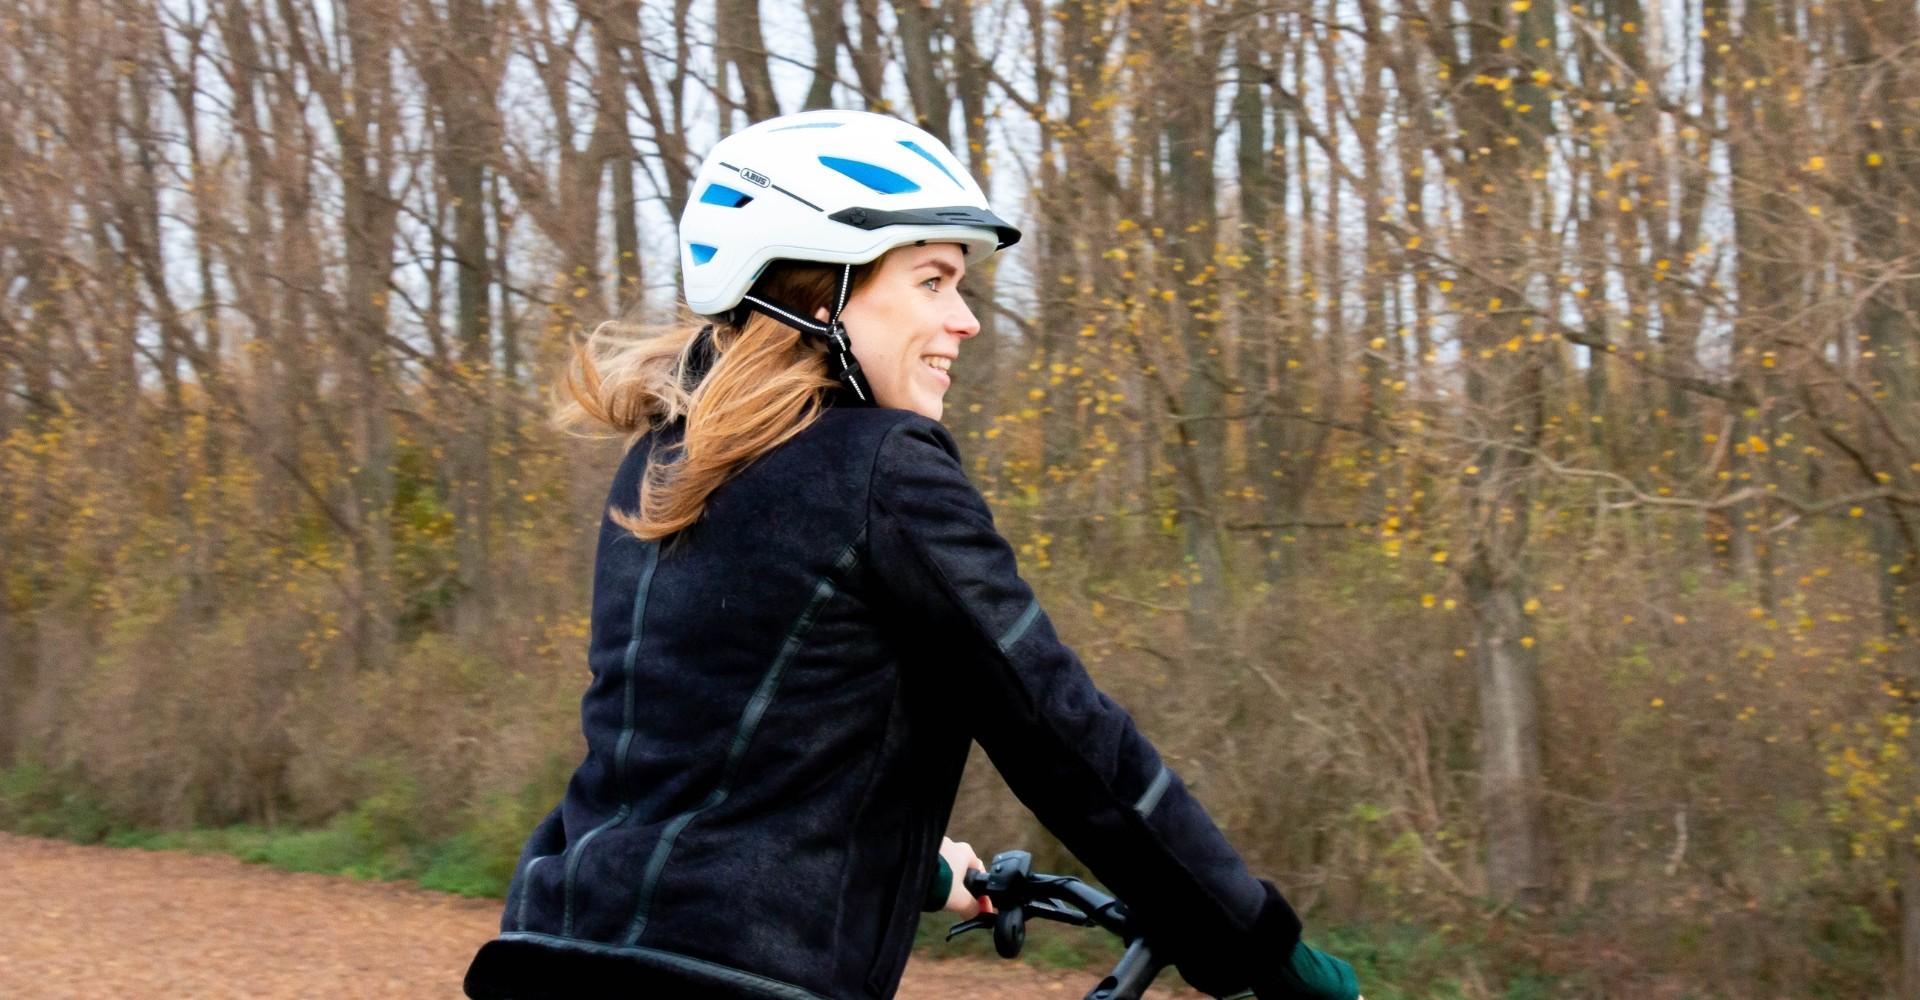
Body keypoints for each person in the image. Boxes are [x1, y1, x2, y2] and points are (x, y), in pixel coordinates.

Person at [462, 110, 1361, 1000]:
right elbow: (1064, 736)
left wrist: (920, 867)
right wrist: (1260, 947)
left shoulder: (665, 461)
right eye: (932, 281)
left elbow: (703, 758)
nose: (964, 319)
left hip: (552, 947)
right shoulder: (881, 469)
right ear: (823, 295)